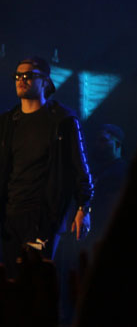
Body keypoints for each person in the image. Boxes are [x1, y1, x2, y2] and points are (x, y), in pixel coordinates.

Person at [0, 57, 93, 272]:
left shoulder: (62, 120)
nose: (21, 80)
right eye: (18, 76)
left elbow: (80, 165)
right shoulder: (7, 123)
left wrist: (84, 207)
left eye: (28, 75)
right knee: (12, 279)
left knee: (36, 277)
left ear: (45, 82)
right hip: (10, 215)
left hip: (43, 214)